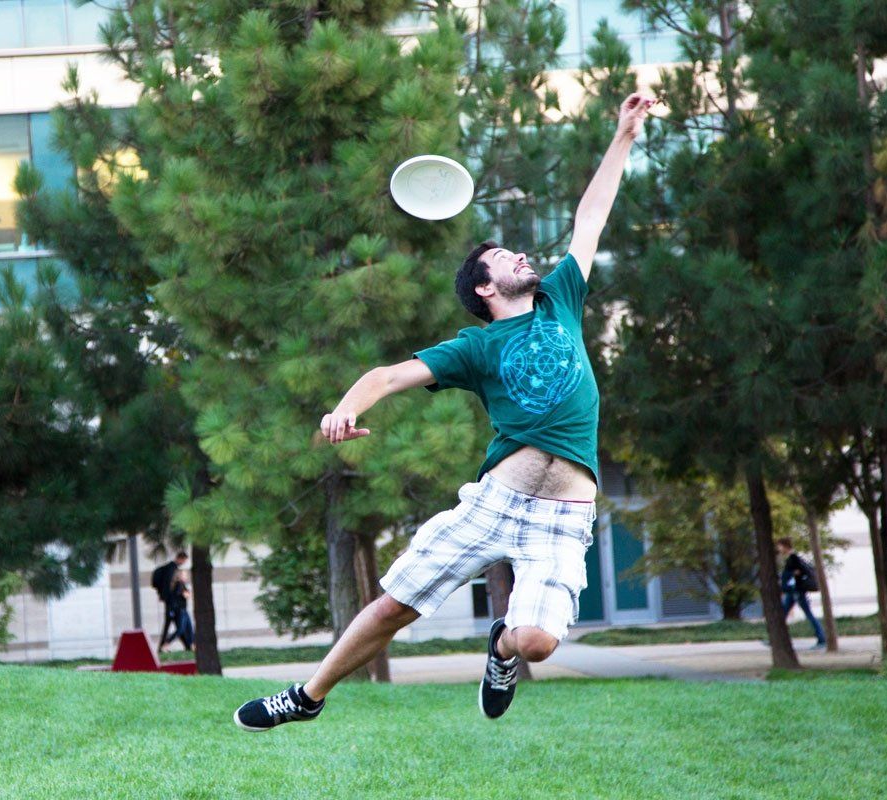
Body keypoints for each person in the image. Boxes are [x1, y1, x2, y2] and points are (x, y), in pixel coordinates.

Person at [233, 93, 657, 732]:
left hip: (563, 516)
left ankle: (501, 649)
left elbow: (591, 214)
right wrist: (344, 408)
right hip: (493, 504)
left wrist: (624, 135)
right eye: (503, 257)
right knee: (393, 608)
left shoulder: (561, 299)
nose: (521, 256)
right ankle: (308, 695)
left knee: (537, 639)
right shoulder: (476, 345)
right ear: (485, 289)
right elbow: (388, 374)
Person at [776, 537, 826, 649]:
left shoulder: (793, 558)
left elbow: (800, 572)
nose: (778, 548)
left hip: (797, 590)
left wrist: (791, 575)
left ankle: (822, 638)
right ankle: (776, 639)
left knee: (808, 614)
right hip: (792, 591)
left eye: (779, 546)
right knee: (782, 614)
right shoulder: (791, 558)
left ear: (785, 546)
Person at [152, 551, 188, 649]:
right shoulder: (172, 569)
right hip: (172, 603)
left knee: (179, 626)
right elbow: (170, 587)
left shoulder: (170, 568)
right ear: (180, 558)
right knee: (173, 625)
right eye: (184, 560)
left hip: (171, 602)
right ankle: (163, 645)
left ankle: (188, 645)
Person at [162, 569, 195, 651]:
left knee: (189, 629)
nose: (186, 576)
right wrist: (188, 593)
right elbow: (186, 595)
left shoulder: (179, 585)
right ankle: (166, 644)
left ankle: (192, 646)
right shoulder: (179, 584)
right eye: (185, 575)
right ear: (180, 576)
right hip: (180, 611)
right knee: (180, 630)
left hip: (183, 610)